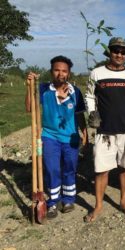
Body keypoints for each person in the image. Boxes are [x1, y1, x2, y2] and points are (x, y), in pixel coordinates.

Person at [85, 37, 125, 222]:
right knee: (101, 170)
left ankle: (123, 201)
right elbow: (89, 96)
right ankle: (98, 206)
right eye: (115, 51)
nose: (119, 55)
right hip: (105, 131)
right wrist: (92, 113)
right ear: (109, 52)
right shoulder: (97, 73)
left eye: (123, 52)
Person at [25, 55, 87, 219]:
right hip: (49, 136)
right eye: (57, 70)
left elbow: (79, 114)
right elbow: (30, 109)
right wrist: (29, 87)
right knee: (52, 169)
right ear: (51, 71)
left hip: (70, 138)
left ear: (69, 73)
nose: (60, 73)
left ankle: (68, 200)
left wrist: (84, 131)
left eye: (64, 71)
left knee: (70, 168)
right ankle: (53, 202)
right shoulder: (43, 89)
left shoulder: (76, 91)